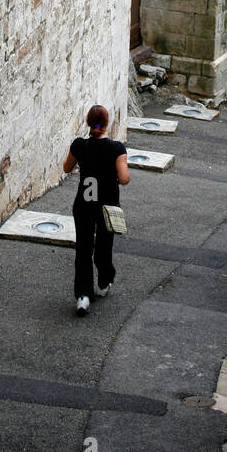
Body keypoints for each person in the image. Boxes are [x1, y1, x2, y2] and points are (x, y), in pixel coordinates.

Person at [62, 105, 129, 316]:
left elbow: (66, 167)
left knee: (83, 249)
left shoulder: (79, 145)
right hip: (107, 207)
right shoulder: (117, 149)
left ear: (88, 123)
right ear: (107, 124)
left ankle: (83, 296)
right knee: (103, 246)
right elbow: (124, 179)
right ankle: (104, 281)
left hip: (83, 204)